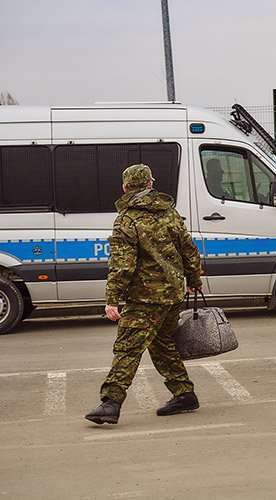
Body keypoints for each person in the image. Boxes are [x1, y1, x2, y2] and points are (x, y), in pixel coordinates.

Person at [85, 164, 204, 425]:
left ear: (125, 187)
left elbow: (122, 265)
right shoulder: (170, 212)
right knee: (162, 345)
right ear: (151, 184)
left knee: (128, 348)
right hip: (173, 294)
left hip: (144, 299)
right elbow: (189, 250)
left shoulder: (127, 220)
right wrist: (194, 280)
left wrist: (112, 299)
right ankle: (184, 393)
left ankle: (110, 403)